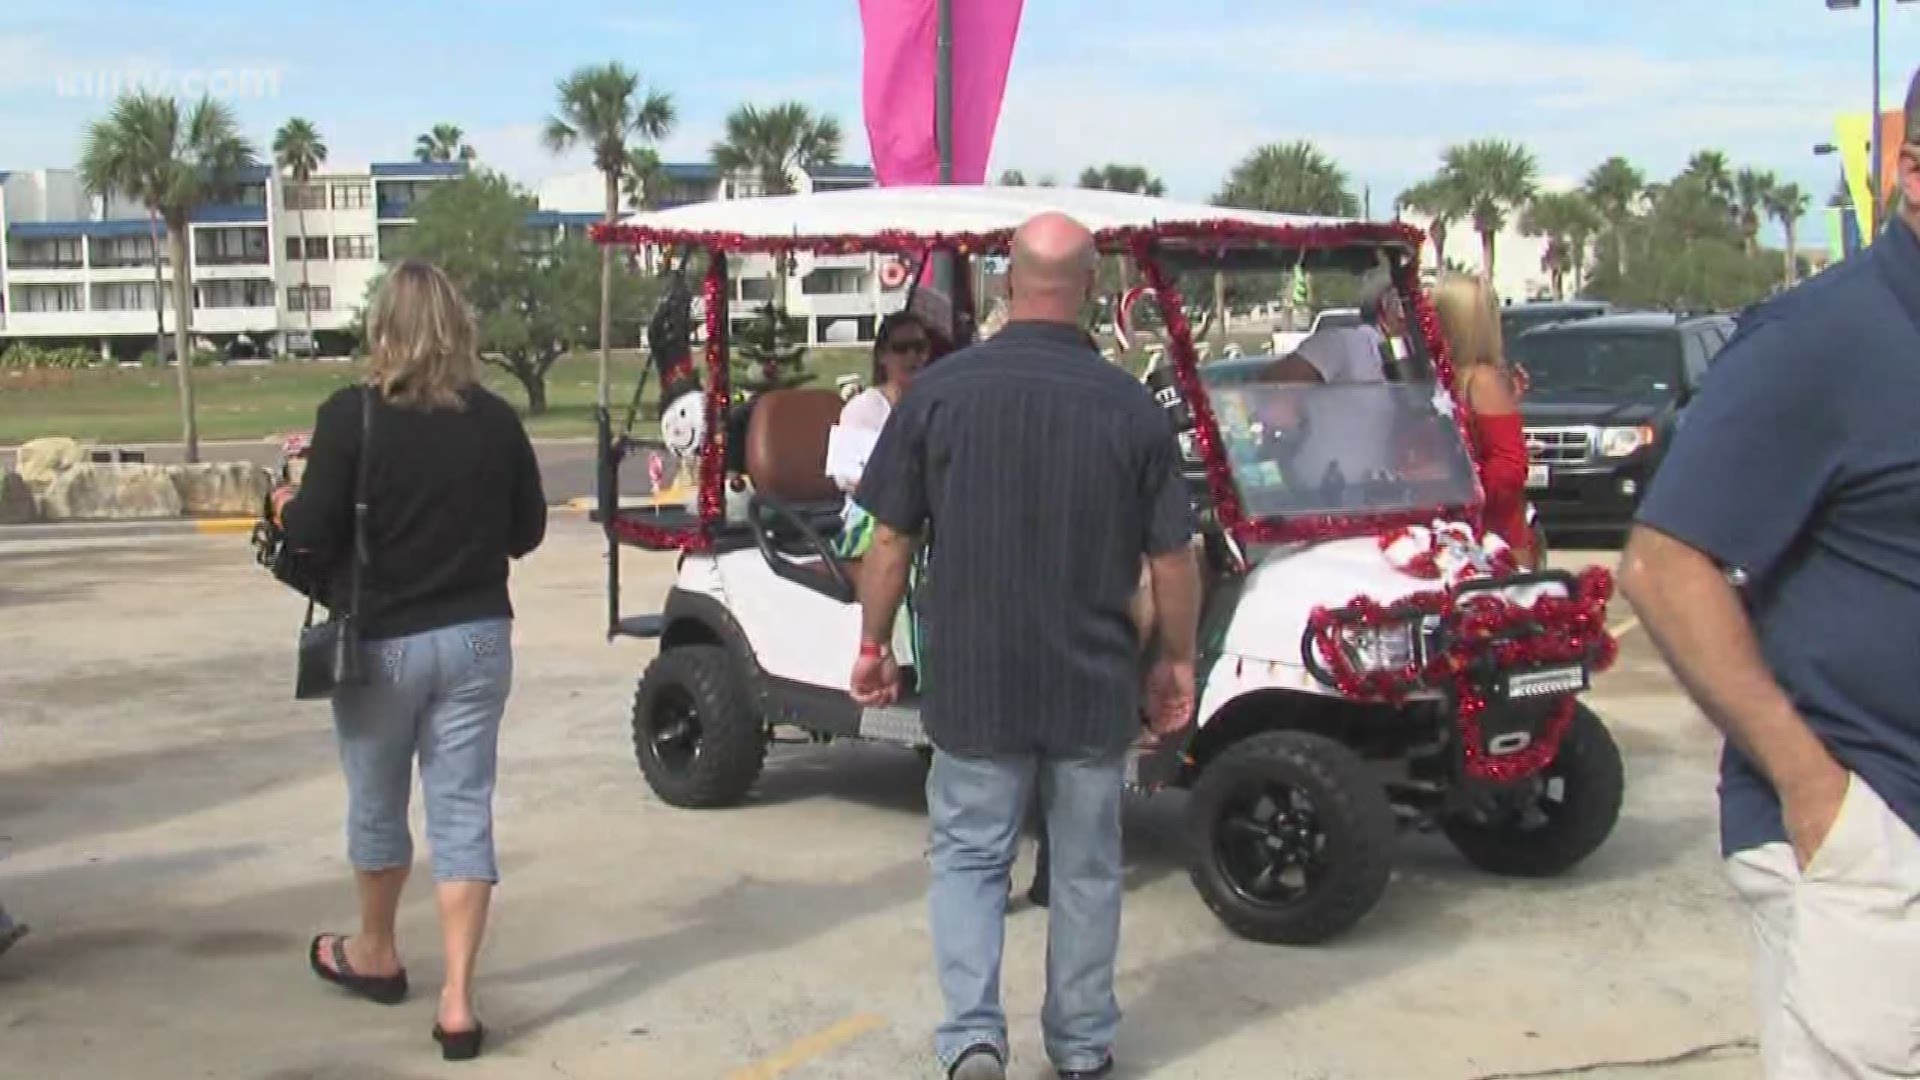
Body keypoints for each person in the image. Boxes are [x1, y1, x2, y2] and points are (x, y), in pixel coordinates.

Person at [848, 211, 1202, 1080]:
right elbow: (1172, 559)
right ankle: (1081, 1047)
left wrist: (873, 642)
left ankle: (972, 1039)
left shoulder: (939, 394)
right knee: (1084, 868)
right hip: (1090, 683)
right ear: (1091, 289)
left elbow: (887, 540)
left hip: (975, 679)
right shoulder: (1131, 408)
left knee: (969, 859)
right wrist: (1175, 661)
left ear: (1009, 284)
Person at [1618, 68, 1920, 1079]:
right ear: (1912, 173)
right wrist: (1815, 791)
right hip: (1875, 850)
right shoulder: (1821, 341)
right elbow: (1666, 564)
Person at [275, 259, 546, 1063]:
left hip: (381, 641)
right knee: (463, 808)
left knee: (378, 798)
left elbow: (311, 532)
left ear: (382, 329)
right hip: (476, 638)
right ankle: (458, 1000)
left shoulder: (349, 416)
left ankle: (377, 950)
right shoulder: (496, 421)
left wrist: (284, 502)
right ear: (459, 329)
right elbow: (526, 531)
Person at [1431, 272, 1533, 565]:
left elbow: (1508, 466)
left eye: (1433, 312)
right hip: (1442, 533)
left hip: (1487, 542)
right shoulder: (1434, 376)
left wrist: (1462, 500)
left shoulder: (1483, 381)